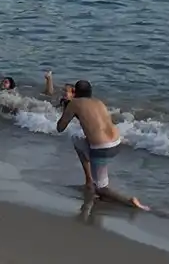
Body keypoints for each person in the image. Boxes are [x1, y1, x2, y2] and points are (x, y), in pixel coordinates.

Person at [56, 80, 147, 209]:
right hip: (116, 143)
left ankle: (129, 201)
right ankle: (90, 182)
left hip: (101, 149)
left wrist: (67, 107)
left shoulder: (74, 103)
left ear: (75, 92)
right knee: (79, 139)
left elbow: (60, 127)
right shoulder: (99, 102)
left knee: (102, 189)